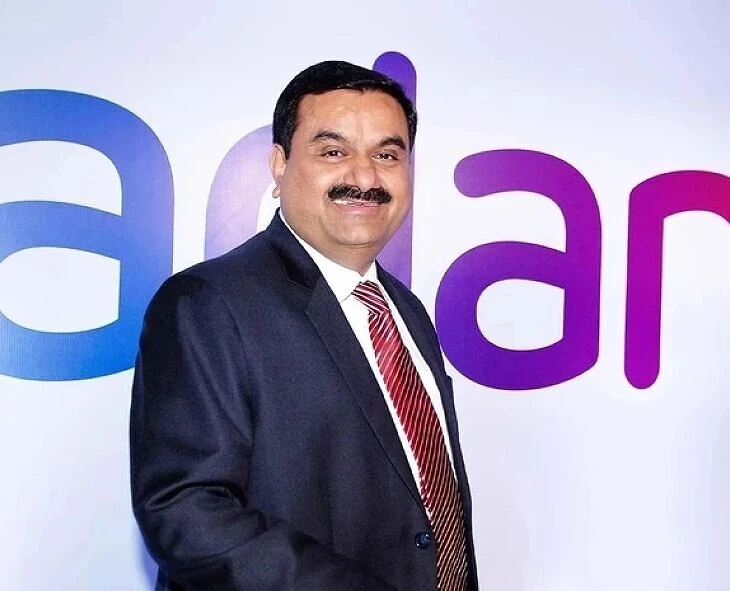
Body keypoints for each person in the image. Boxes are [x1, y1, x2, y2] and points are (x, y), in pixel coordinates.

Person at [130, 60, 478, 590]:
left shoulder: (407, 313)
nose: (365, 177)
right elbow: (185, 512)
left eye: (387, 155)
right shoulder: (206, 304)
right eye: (333, 152)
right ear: (279, 164)